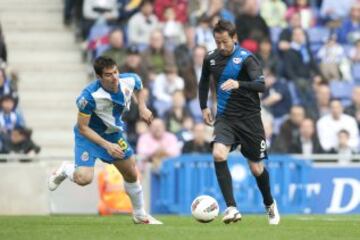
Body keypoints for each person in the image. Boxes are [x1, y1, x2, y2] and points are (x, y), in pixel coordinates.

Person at [48, 56, 162, 224]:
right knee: (84, 179)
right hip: (89, 136)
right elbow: (83, 127)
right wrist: (106, 145)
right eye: (108, 75)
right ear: (99, 77)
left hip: (113, 134)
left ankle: (139, 214)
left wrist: (142, 107)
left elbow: (139, 87)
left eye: (116, 72)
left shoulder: (129, 80)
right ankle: (66, 169)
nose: (115, 77)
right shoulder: (88, 97)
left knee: (131, 171)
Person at [198, 20, 280, 225]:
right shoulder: (210, 58)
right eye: (217, 42)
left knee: (256, 169)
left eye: (224, 42)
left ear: (234, 38)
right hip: (225, 117)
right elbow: (203, 82)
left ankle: (269, 203)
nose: (221, 46)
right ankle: (231, 207)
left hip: (250, 120)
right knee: (218, 154)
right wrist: (204, 106)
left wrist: (238, 84)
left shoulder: (246, 58)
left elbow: (261, 86)